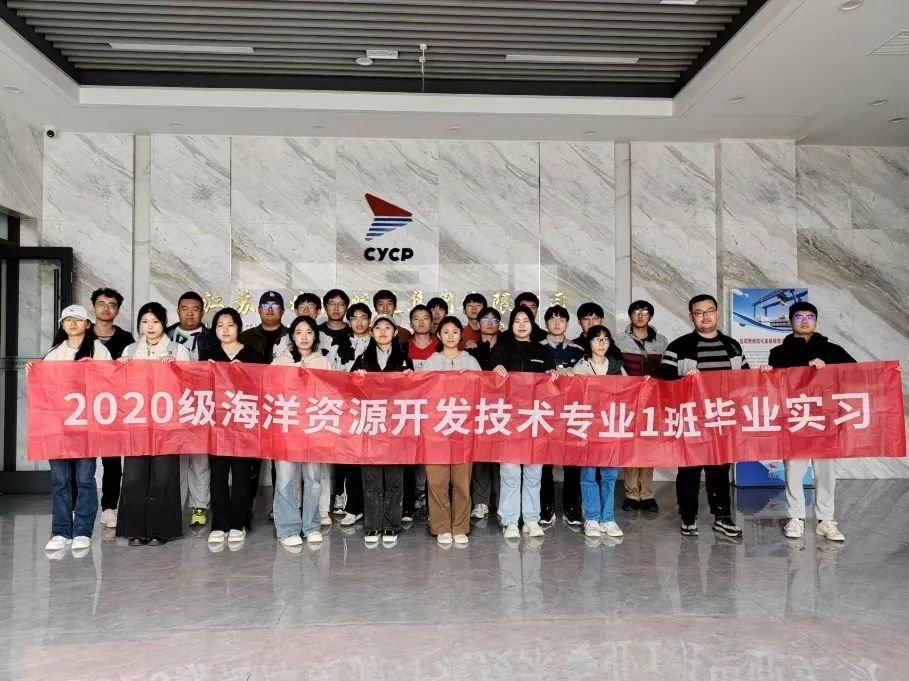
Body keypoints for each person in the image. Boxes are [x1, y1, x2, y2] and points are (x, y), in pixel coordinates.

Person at [658, 294, 747, 539]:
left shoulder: (732, 346)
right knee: (689, 472)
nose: (705, 316)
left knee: (720, 471)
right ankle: (688, 517)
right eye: (699, 312)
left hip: (722, 420)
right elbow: (662, 380)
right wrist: (683, 380)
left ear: (717, 313)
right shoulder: (679, 346)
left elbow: (746, 379)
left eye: (709, 311)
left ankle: (723, 518)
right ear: (691, 317)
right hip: (691, 420)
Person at [765, 302, 854, 542]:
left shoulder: (832, 350)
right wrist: (805, 367)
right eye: (799, 317)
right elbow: (776, 383)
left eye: (810, 317)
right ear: (790, 321)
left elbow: (857, 373)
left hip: (826, 420)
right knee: (794, 471)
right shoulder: (779, 352)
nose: (804, 321)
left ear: (816, 321)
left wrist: (886, 373)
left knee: (826, 473)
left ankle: (826, 520)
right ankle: (796, 518)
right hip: (795, 419)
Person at [31, 305, 111, 554]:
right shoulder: (54, 353)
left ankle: (82, 531)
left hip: (87, 427)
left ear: (88, 324)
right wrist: (33, 372)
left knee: (85, 479)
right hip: (58, 427)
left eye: (78, 319)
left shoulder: (98, 350)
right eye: (68, 320)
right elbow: (44, 390)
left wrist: (96, 369)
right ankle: (60, 532)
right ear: (62, 325)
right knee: (60, 480)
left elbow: (112, 383)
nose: (73, 323)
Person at [116, 302, 191, 546]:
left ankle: (161, 529)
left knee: (163, 475)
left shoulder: (178, 351)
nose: (150, 327)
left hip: (166, 422)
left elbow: (189, 384)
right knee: (134, 475)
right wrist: (120, 369)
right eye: (145, 322)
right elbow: (119, 387)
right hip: (137, 421)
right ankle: (135, 529)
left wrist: (175, 370)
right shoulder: (130, 350)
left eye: (155, 322)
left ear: (164, 324)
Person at [490, 305, 555, 540]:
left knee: (534, 471)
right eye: (517, 320)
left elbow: (552, 383)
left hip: (535, 419)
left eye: (525, 320)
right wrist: (494, 371)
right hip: (508, 419)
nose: (521, 324)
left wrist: (555, 375)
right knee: (509, 470)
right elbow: (488, 385)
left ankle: (531, 518)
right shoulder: (501, 349)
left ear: (532, 323)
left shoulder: (543, 350)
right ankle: (509, 521)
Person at [200, 307, 263, 545]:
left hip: (244, 423)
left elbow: (263, 385)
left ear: (239, 327)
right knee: (217, 474)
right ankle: (219, 523)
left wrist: (244, 374)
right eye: (220, 325)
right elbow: (198, 386)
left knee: (241, 474)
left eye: (230, 325)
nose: (225, 330)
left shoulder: (251, 354)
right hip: (216, 423)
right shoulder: (209, 354)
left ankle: (238, 522)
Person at [351, 315, 415, 546]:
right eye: (378, 327)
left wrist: (411, 380)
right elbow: (348, 392)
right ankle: (372, 524)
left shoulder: (405, 361)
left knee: (395, 479)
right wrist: (356, 379)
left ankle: (390, 524)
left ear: (395, 332)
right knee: (371, 479)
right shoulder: (362, 359)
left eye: (388, 327)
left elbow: (414, 394)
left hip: (396, 427)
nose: (383, 331)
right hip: (371, 426)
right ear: (371, 332)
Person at [418, 316, 482, 545]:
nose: (451, 336)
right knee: (437, 482)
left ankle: (460, 526)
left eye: (455, 332)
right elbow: (422, 394)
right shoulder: (431, 362)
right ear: (439, 335)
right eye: (446, 332)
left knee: (461, 482)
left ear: (461, 335)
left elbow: (482, 392)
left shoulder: (471, 361)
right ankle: (441, 526)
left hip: (463, 431)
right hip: (436, 432)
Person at [272, 316, 332, 547]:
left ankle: (311, 526)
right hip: (286, 430)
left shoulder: (323, 362)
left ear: (315, 335)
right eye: (299, 332)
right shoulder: (280, 362)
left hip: (314, 429)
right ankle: (287, 528)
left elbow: (333, 394)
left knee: (313, 479)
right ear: (292, 336)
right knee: (285, 479)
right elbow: (267, 390)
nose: (304, 337)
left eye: (309, 332)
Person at [166, 291, 216, 528]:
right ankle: (174, 505)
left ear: (202, 312)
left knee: (199, 458)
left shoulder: (212, 338)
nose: (189, 313)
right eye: (184, 308)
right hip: (172, 404)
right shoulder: (165, 335)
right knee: (175, 458)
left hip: (202, 403)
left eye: (195, 309)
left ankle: (199, 506)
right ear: (177, 311)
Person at [570, 325, 625, 539]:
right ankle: (592, 517)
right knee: (588, 474)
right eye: (596, 339)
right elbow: (574, 395)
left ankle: (608, 518)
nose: (601, 344)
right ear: (589, 343)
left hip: (611, 427)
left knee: (610, 475)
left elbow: (629, 393)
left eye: (605, 339)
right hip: (588, 428)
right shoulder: (581, 367)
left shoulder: (617, 367)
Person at [238, 290, 288, 518]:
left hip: (282, 403)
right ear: (258, 310)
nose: (269, 310)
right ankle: (246, 504)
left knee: (282, 458)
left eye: (275, 306)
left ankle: (279, 507)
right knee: (251, 457)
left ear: (282, 311)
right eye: (265, 306)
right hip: (252, 403)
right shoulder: (246, 337)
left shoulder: (291, 336)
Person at [614, 300, 668, 513]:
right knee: (630, 446)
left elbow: (667, 368)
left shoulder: (661, 341)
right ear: (630, 315)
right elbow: (615, 367)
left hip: (653, 401)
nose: (640, 315)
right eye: (636, 311)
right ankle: (631, 494)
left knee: (648, 445)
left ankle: (646, 493)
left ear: (650, 316)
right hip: (627, 400)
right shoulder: (618, 340)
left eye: (645, 312)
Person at [89, 287, 134, 529]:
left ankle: (109, 507)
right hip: (82, 406)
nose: (106, 308)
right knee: (81, 460)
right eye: (102, 303)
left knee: (112, 461)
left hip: (113, 407)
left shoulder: (126, 339)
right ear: (93, 306)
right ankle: (78, 507)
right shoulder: (79, 333)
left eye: (112, 305)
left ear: (118, 310)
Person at [538, 305, 585, 526]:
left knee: (572, 461)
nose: (557, 323)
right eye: (552, 319)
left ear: (567, 323)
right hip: (545, 411)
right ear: (546, 323)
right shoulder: (537, 348)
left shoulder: (578, 350)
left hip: (570, 411)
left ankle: (572, 507)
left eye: (561, 319)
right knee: (545, 462)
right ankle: (546, 507)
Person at [332, 302, 371, 526]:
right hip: (345, 409)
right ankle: (351, 506)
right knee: (349, 459)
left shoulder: (377, 344)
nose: (359, 322)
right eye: (354, 318)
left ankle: (369, 505)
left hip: (372, 410)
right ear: (348, 322)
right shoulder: (338, 346)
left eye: (363, 317)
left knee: (370, 459)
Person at [467, 306, 502, 519]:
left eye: (494, 319)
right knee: (480, 456)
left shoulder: (508, 347)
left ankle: (500, 500)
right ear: (478, 324)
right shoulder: (470, 350)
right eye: (485, 319)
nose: (489, 323)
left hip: (503, 408)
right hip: (477, 407)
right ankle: (480, 501)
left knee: (501, 455)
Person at [406, 304, 436, 371]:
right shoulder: (402, 349)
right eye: (416, 319)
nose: (421, 322)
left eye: (425, 318)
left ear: (432, 323)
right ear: (411, 324)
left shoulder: (441, 347)